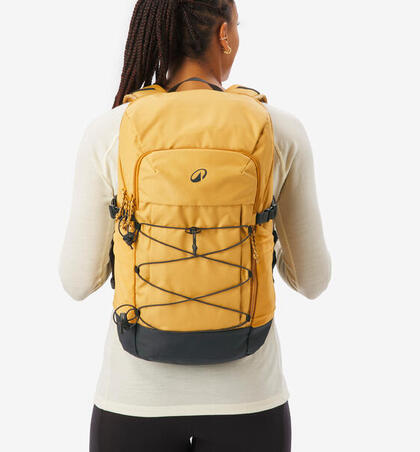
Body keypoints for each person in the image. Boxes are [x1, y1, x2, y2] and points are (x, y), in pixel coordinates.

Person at [59, 0, 332, 450]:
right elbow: (314, 280)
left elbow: (76, 281)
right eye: (237, 26)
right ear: (223, 34)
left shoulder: (111, 131)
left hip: (134, 403)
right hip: (250, 404)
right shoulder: (278, 128)